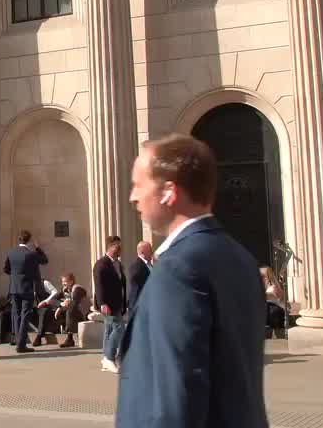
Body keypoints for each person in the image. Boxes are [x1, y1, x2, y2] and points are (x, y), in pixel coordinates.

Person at [118, 134, 267, 428]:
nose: (133, 197)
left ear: (168, 192)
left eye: (139, 184)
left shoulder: (178, 268)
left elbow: (175, 393)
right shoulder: (241, 258)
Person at [3, 230, 48, 354]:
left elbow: (6, 269)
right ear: (29, 241)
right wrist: (38, 248)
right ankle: (21, 345)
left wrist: (15, 276)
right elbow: (44, 260)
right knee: (25, 315)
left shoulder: (11, 252)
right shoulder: (31, 254)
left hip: (14, 288)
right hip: (27, 288)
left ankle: (19, 341)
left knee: (16, 315)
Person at [93, 235, 126, 372]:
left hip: (118, 302)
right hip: (108, 303)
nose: (120, 248)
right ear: (110, 247)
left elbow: (121, 283)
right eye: (117, 246)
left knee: (109, 330)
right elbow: (99, 285)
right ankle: (109, 357)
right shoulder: (101, 264)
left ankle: (105, 359)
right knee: (119, 328)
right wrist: (102, 303)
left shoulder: (118, 264)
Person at [34, 273, 87, 348]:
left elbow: (74, 304)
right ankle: (40, 335)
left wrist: (60, 308)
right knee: (46, 310)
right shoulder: (64, 289)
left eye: (65, 281)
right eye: (62, 281)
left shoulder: (77, 289)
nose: (63, 283)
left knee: (70, 310)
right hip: (69, 311)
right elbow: (52, 300)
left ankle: (69, 338)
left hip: (80, 313)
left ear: (71, 281)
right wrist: (60, 304)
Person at [260, 266, 286, 335]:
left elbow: (267, 296)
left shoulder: (273, 288)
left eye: (263, 277)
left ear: (266, 279)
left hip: (276, 313)